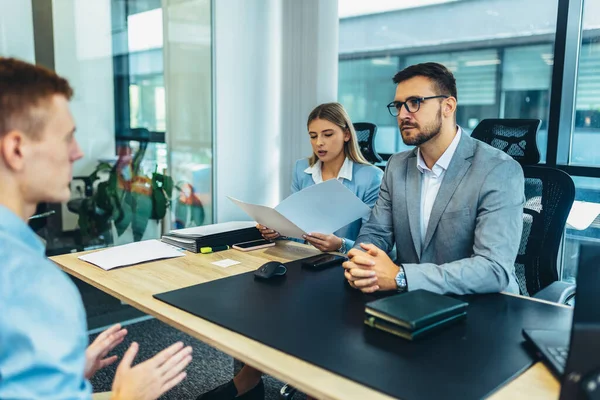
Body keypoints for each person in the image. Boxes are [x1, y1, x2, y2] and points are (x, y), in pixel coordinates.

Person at [0, 57, 192, 399]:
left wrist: (62, 373)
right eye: (67, 138)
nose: (78, 152)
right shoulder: (31, 285)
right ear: (16, 149)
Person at [199, 102, 383, 399]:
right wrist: (278, 228)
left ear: (347, 134)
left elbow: (376, 241)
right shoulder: (303, 169)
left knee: (298, 303)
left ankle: (308, 386)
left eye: (327, 134)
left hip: (343, 267)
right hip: (305, 261)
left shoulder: (369, 177)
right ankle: (251, 378)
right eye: (313, 136)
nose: (319, 143)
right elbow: (298, 223)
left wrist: (341, 245)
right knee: (255, 294)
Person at [343, 62, 524, 296]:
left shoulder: (499, 170)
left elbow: (493, 269)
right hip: (413, 303)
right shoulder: (396, 166)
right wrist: (362, 262)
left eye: (414, 103)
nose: (402, 114)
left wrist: (401, 277)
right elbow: (376, 232)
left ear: (447, 106)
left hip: (482, 306)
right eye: (398, 105)